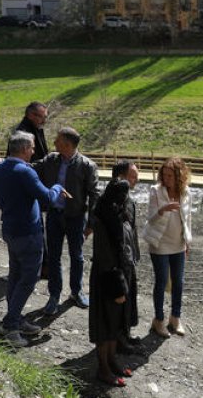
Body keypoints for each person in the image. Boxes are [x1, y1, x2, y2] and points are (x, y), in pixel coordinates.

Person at [0, 131, 69, 348]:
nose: (34, 151)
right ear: (25, 149)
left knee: (15, 276)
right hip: (28, 232)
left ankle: (15, 318)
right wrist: (57, 187)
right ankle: (11, 325)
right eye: (32, 147)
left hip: (10, 229)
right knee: (28, 279)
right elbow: (47, 197)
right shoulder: (25, 172)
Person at [34, 126, 99, 314]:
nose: (54, 143)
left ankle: (76, 292)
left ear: (68, 145)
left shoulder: (87, 166)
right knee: (53, 256)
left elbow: (94, 195)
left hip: (76, 217)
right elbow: (30, 168)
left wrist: (91, 224)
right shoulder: (51, 160)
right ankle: (54, 295)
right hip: (54, 215)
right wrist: (8, 162)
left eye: (58, 140)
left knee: (77, 256)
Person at [90, 160, 140, 387]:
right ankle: (103, 367)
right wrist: (119, 285)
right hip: (109, 278)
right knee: (104, 325)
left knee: (115, 323)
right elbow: (107, 257)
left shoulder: (116, 215)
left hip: (120, 274)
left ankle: (112, 360)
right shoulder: (106, 221)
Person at [145, 157, 193, 338]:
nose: (166, 179)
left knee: (178, 282)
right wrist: (162, 209)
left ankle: (175, 318)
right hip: (159, 244)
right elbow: (150, 217)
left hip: (178, 244)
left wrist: (187, 241)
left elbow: (188, 218)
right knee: (161, 280)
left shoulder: (186, 192)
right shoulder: (155, 191)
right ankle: (158, 320)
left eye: (170, 176)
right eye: (164, 175)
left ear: (179, 176)